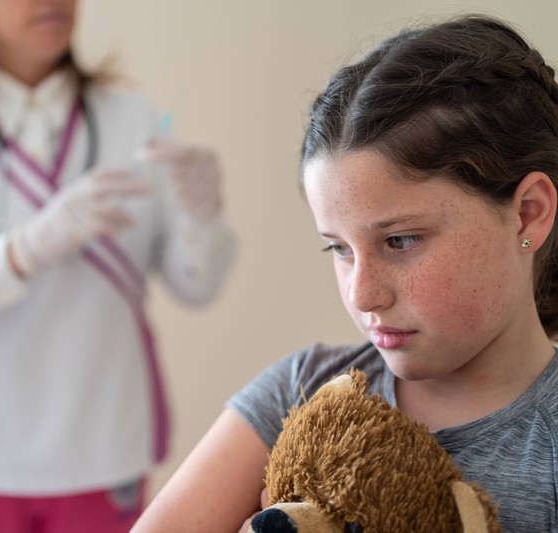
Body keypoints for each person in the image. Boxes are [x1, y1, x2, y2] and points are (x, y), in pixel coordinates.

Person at [132, 14, 558, 533]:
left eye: (400, 240)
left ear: (529, 212)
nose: (363, 294)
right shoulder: (302, 391)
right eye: (338, 248)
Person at [0, 0, 237, 531]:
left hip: (102, 455)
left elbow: (197, 286)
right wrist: (24, 250)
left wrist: (203, 217)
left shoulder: (134, 119)